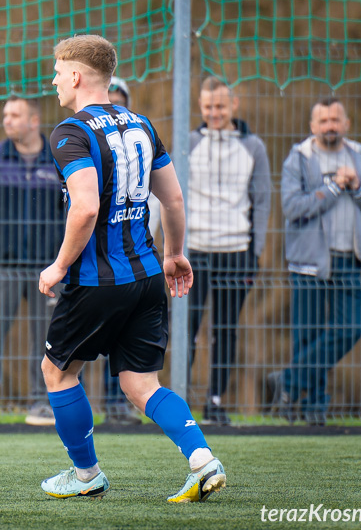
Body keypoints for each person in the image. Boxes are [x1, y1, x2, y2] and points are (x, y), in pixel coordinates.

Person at [38, 34, 225, 502]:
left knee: (58, 372)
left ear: (77, 75)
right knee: (141, 383)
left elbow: (83, 209)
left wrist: (59, 266)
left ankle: (86, 476)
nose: (54, 79)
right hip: (146, 278)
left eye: (58, 71)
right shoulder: (141, 124)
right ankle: (203, 461)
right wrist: (174, 253)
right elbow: (174, 198)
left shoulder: (70, 132)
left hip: (97, 281)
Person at [268, 97, 361, 426]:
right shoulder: (300, 158)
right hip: (308, 262)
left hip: (350, 259)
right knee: (306, 336)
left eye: (335, 120)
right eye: (323, 121)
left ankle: (288, 383)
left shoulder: (358, 156)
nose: (330, 126)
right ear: (313, 126)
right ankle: (313, 410)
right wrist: (334, 187)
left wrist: (358, 186)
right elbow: (293, 207)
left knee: (350, 329)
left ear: (346, 123)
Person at [0, 96, 66, 426]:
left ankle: (42, 403)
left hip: (47, 267)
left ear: (34, 121)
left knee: (46, 339)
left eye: (14, 115)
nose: (7, 120)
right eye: (5, 115)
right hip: (2, 265)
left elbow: (69, 207)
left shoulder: (56, 158)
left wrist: (60, 251)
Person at [186, 76, 272, 425]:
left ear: (233, 105)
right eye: (208, 107)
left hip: (236, 250)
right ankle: (179, 400)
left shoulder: (254, 147)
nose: (214, 113)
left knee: (225, 329)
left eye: (220, 106)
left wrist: (256, 251)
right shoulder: (188, 143)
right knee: (187, 327)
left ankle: (216, 401)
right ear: (200, 107)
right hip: (195, 250)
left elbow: (262, 201)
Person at [99, 76, 143, 425]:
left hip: (133, 260)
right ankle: (110, 402)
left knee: (125, 340)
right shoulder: (91, 146)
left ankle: (120, 402)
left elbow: (161, 203)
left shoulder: (139, 142)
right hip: (101, 261)